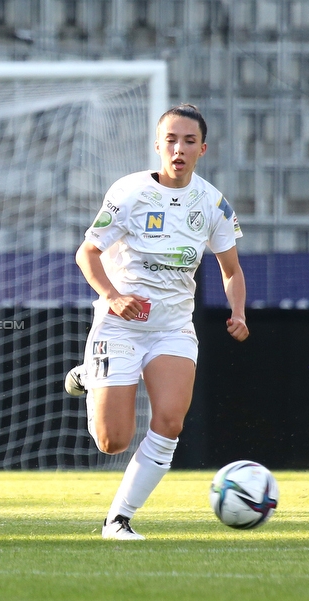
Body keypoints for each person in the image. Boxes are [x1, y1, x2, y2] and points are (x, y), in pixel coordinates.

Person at [64, 104, 249, 540]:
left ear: (202, 149)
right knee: (113, 441)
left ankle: (118, 519)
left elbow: (231, 270)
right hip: (121, 325)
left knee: (169, 421)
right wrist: (112, 297)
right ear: (158, 145)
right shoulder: (129, 193)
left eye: (188, 141)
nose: (178, 149)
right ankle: (92, 373)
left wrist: (238, 311)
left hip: (172, 327)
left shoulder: (213, 204)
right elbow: (86, 254)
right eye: (171, 140)